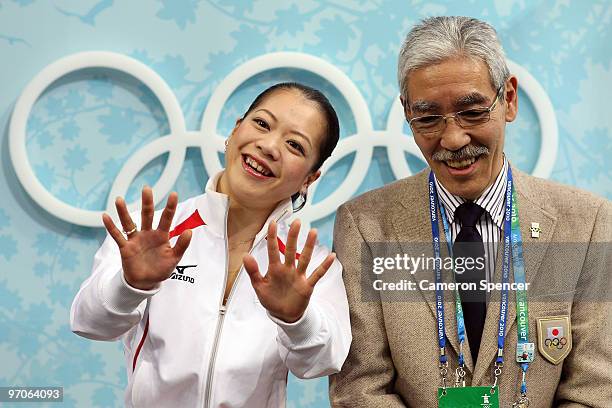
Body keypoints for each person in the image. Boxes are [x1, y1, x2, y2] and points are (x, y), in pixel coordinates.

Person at [330, 16, 611, 407]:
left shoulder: (588, 222)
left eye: (473, 112)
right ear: (407, 113)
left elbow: (595, 390)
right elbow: (360, 387)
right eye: (427, 118)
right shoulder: (365, 226)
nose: (454, 138)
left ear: (508, 99)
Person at [70, 82, 352, 408]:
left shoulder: (308, 265)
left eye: (294, 145)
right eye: (261, 123)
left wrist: (295, 318)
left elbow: (323, 360)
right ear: (235, 130)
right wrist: (130, 284)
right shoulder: (151, 233)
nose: (270, 146)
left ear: (309, 178)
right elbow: (89, 323)